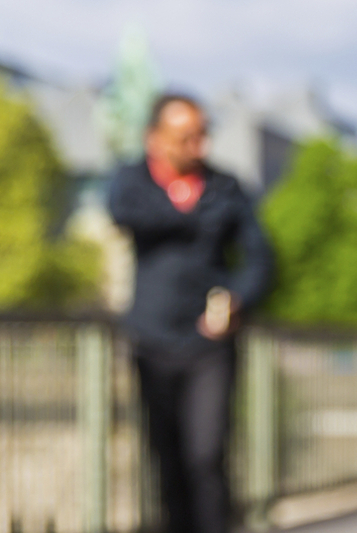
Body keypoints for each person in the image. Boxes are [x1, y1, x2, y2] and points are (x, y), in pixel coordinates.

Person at [109, 94, 273, 533]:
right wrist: (190, 212)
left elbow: (260, 258)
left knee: (207, 453)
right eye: (185, 137)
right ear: (154, 139)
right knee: (167, 460)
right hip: (152, 341)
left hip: (209, 344)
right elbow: (124, 212)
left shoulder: (226, 187)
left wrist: (237, 299)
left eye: (203, 135)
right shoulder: (132, 182)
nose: (198, 146)